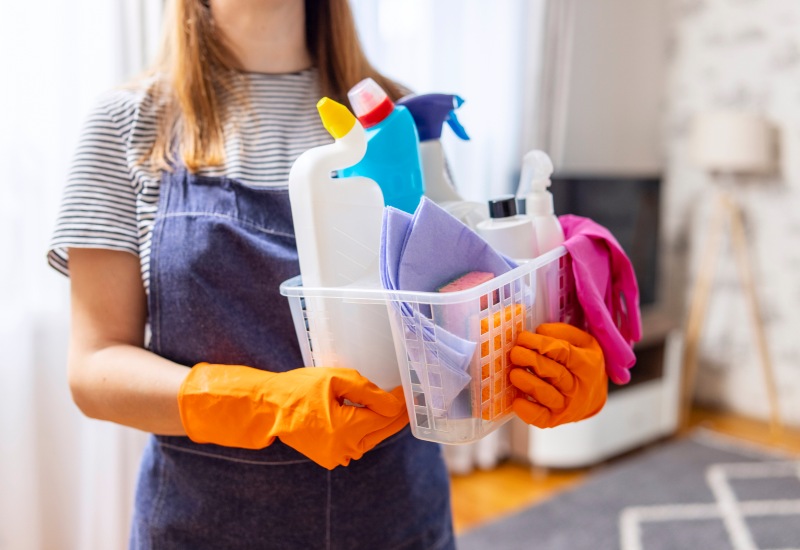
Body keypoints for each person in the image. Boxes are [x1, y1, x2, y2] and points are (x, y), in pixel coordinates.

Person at [48, 0, 609, 548]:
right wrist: (263, 404)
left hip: (397, 518)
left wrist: (536, 366)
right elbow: (95, 367)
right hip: (203, 526)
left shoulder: (403, 121)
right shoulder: (126, 126)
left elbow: (450, 311)